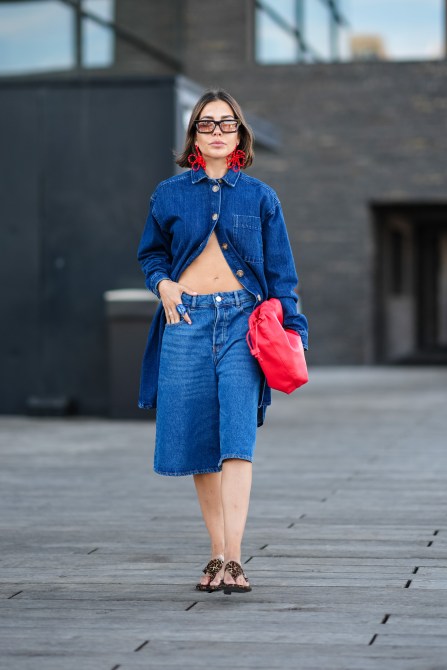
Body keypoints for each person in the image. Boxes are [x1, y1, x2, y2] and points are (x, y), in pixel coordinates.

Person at [137, 89, 308, 594]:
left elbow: (282, 275)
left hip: (243, 324)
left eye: (226, 124)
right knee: (199, 443)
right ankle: (216, 551)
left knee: (237, 438)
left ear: (239, 134)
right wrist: (163, 283)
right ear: (193, 134)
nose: (216, 132)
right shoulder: (168, 194)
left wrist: (295, 332)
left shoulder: (260, 196)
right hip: (185, 320)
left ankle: (234, 558)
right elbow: (151, 257)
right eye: (207, 124)